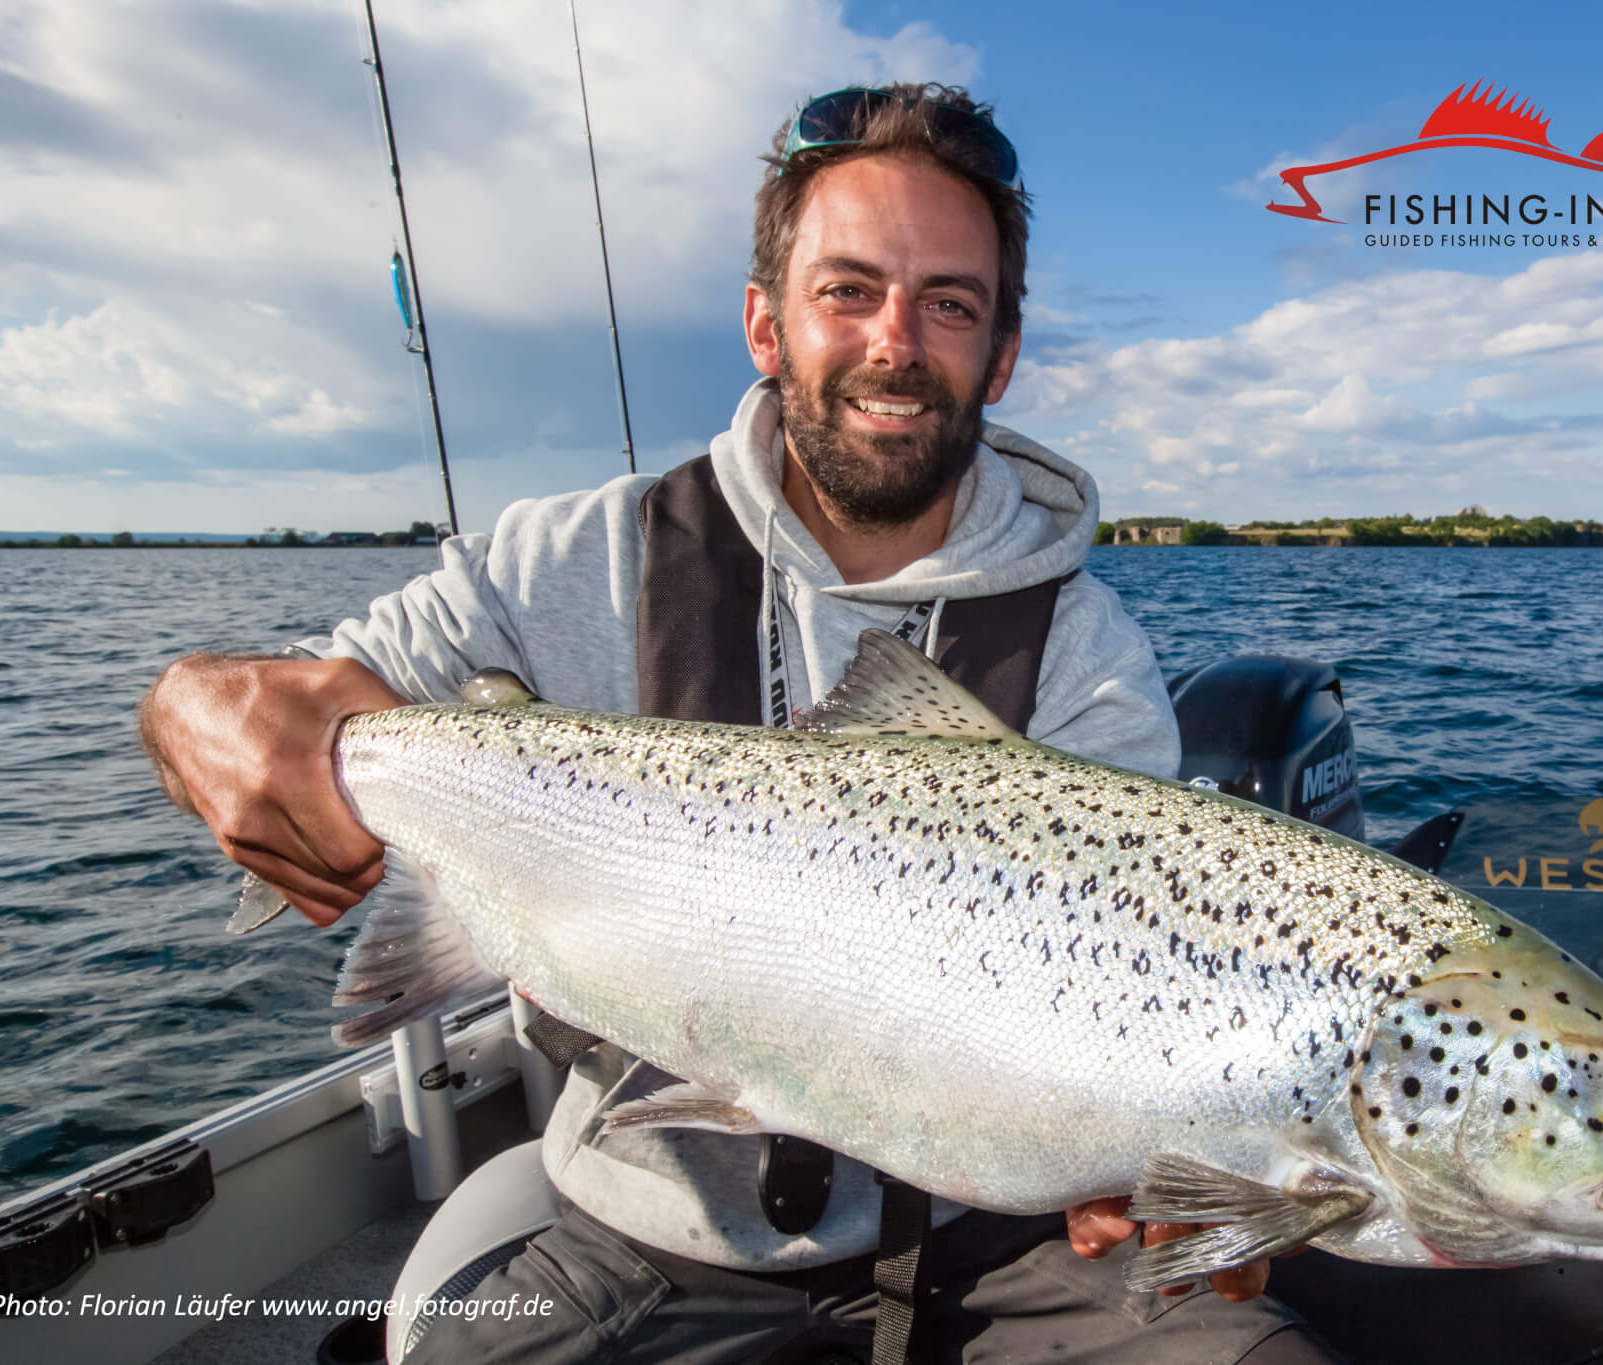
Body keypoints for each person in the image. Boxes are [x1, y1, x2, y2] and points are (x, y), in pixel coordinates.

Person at [139, 83, 1337, 1364]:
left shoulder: (1089, 654)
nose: (895, 342)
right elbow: (287, 700)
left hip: (1010, 1252)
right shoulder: (568, 560)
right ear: (765, 324)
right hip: (645, 1237)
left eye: (949, 302)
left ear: (1000, 353)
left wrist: (1176, 1176)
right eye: (848, 290)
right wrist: (194, 709)